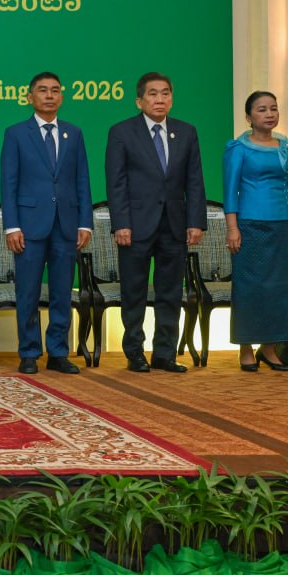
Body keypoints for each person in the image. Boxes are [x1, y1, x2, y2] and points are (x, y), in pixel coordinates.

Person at [105, 72, 206, 373]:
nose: (160, 99)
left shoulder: (186, 132)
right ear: (140, 101)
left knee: (170, 292)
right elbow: (116, 182)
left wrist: (195, 221)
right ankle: (134, 352)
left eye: (165, 93)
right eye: (153, 94)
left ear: (171, 99)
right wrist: (121, 222)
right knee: (134, 291)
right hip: (135, 225)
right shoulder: (122, 132)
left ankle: (165, 353)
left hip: (174, 225)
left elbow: (195, 181)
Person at [0, 72, 92, 375]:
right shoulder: (16, 133)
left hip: (66, 225)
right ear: (30, 97)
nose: (49, 95)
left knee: (62, 292)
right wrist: (12, 226)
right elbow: (8, 183)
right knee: (27, 292)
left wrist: (85, 222)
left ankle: (58, 352)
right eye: (42, 90)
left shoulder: (74, 133)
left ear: (61, 97)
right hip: (29, 226)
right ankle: (29, 352)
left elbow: (82, 180)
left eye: (54, 90)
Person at [224, 91, 288, 372]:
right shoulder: (238, 148)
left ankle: (269, 349)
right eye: (261, 109)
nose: (269, 114)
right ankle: (246, 348)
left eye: (273, 108)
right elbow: (230, 192)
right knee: (249, 288)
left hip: (283, 226)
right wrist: (232, 228)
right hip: (249, 226)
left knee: (280, 288)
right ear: (249, 117)